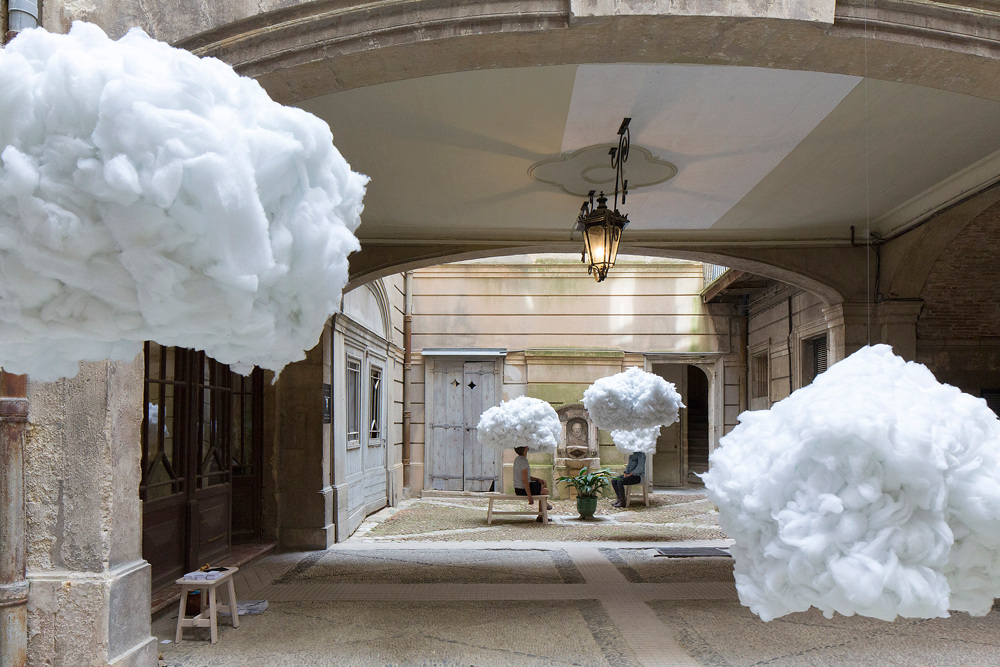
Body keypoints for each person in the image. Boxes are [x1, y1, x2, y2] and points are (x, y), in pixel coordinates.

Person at [512, 446, 552, 521]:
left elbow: (525, 477)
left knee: (543, 482)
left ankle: (543, 510)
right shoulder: (524, 461)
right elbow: (524, 480)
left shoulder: (517, 459)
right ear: (525, 449)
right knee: (545, 491)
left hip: (518, 488)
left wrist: (537, 479)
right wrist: (529, 497)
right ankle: (542, 514)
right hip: (522, 489)